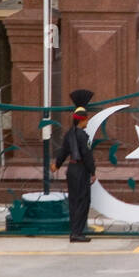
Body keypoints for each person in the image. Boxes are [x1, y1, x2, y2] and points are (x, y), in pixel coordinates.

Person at [52, 89, 96, 243]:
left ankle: (74, 231)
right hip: (81, 170)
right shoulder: (83, 136)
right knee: (83, 201)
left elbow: (63, 151)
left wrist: (56, 165)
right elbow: (87, 155)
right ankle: (78, 232)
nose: (88, 122)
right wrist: (93, 171)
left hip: (71, 169)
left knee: (74, 201)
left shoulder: (69, 134)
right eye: (87, 119)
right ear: (82, 120)